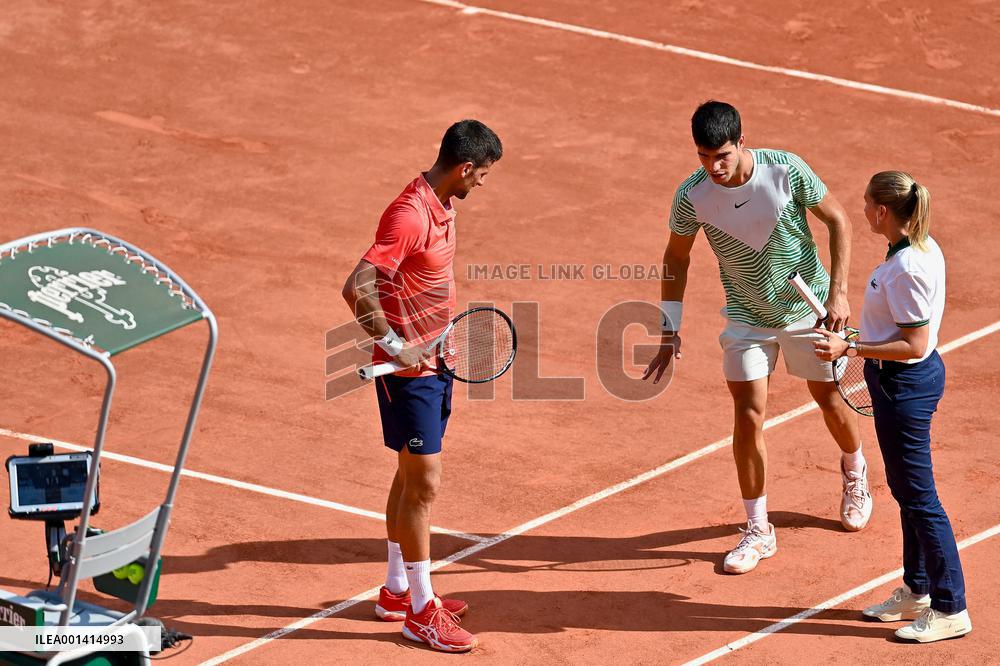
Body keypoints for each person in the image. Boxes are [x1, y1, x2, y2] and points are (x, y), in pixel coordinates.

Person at [643, 100, 871, 575]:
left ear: (742, 141)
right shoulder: (692, 195)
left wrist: (839, 293)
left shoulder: (785, 169)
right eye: (704, 156)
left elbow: (838, 220)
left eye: (722, 155)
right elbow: (676, 257)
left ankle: (855, 472)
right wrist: (669, 325)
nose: (714, 167)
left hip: (806, 309)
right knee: (748, 414)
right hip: (746, 317)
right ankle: (758, 529)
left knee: (829, 400)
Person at [341, 120, 502, 652]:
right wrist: (395, 344)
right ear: (465, 167)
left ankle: (396, 591)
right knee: (425, 485)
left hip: (435, 363)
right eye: (482, 174)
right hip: (409, 373)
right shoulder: (410, 215)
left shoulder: (443, 206)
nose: (482, 183)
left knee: (409, 476)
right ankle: (420, 612)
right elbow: (356, 286)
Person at [814, 171, 971, 642]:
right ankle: (917, 589)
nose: (862, 209)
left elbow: (914, 344)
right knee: (906, 492)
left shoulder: (906, 268)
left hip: (905, 385)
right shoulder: (916, 248)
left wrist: (850, 348)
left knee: (920, 498)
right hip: (899, 381)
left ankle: (951, 607)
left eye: (866, 202)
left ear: (882, 211)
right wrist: (858, 338)